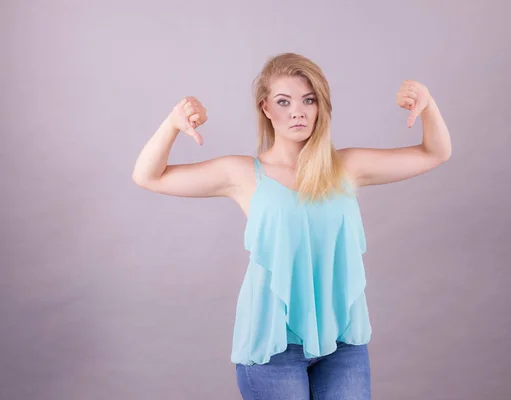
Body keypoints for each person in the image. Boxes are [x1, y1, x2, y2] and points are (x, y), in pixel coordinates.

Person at [132, 52, 451, 400]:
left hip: (341, 343)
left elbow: (435, 153)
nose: (297, 111)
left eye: (308, 100)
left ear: (320, 107)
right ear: (266, 108)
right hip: (272, 347)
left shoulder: (347, 167)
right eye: (284, 101)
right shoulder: (242, 174)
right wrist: (173, 123)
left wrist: (428, 104)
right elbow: (148, 176)